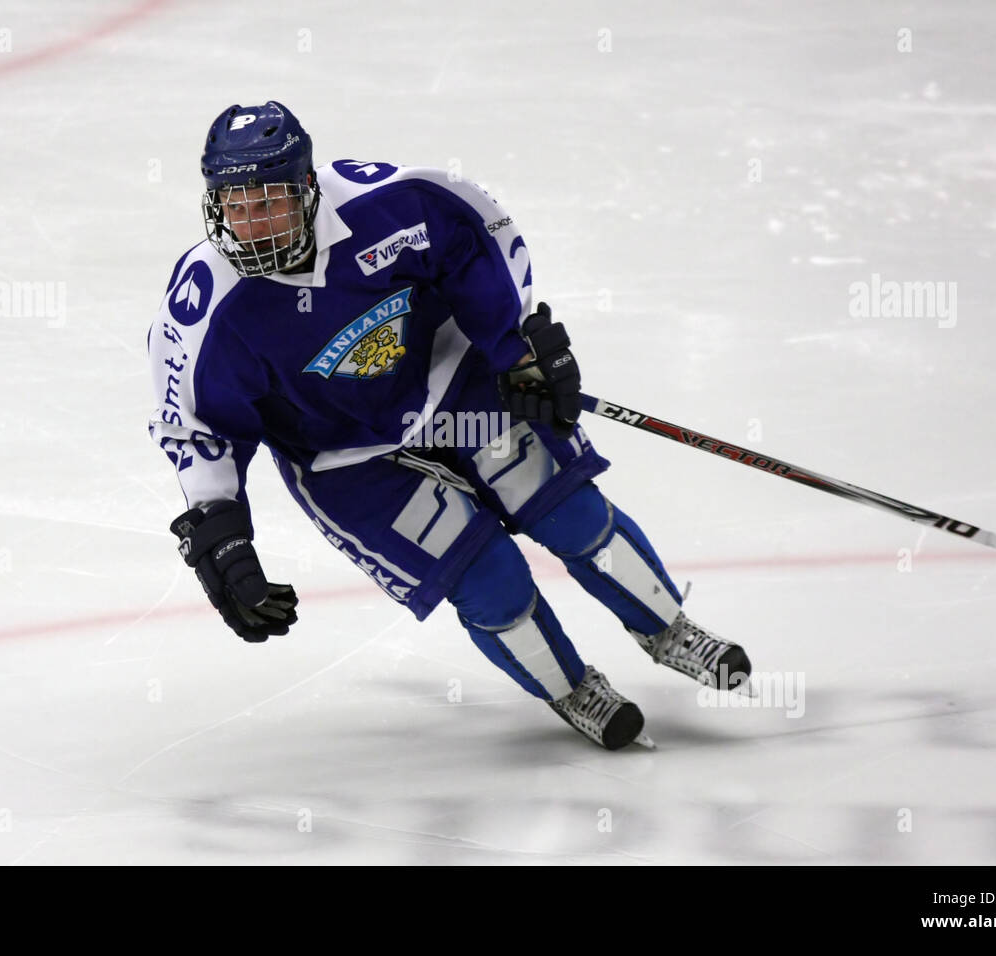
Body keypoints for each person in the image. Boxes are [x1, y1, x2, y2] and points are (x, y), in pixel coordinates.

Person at [147, 100, 751, 750]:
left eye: (267, 204)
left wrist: (516, 348)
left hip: (452, 382)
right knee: (491, 579)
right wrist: (223, 536)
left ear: (307, 187)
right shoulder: (207, 306)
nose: (251, 226)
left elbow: (478, 240)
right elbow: (199, 426)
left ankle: (669, 629)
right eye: (234, 208)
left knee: (571, 514)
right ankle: (573, 690)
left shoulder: (391, 203)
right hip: (345, 460)